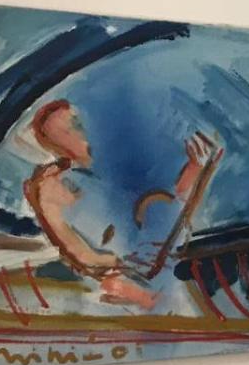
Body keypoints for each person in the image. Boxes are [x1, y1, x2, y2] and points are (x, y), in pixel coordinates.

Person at [22, 99, 221, 310]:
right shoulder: (56, 185)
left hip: (166, 265)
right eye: (67, 131)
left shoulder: (120, 160)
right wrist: (117, 270)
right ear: (54, 145)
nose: (80, 132)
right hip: (128, 282)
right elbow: (79, 252)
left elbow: (166, 212)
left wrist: (195, 169)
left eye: (77, 123)